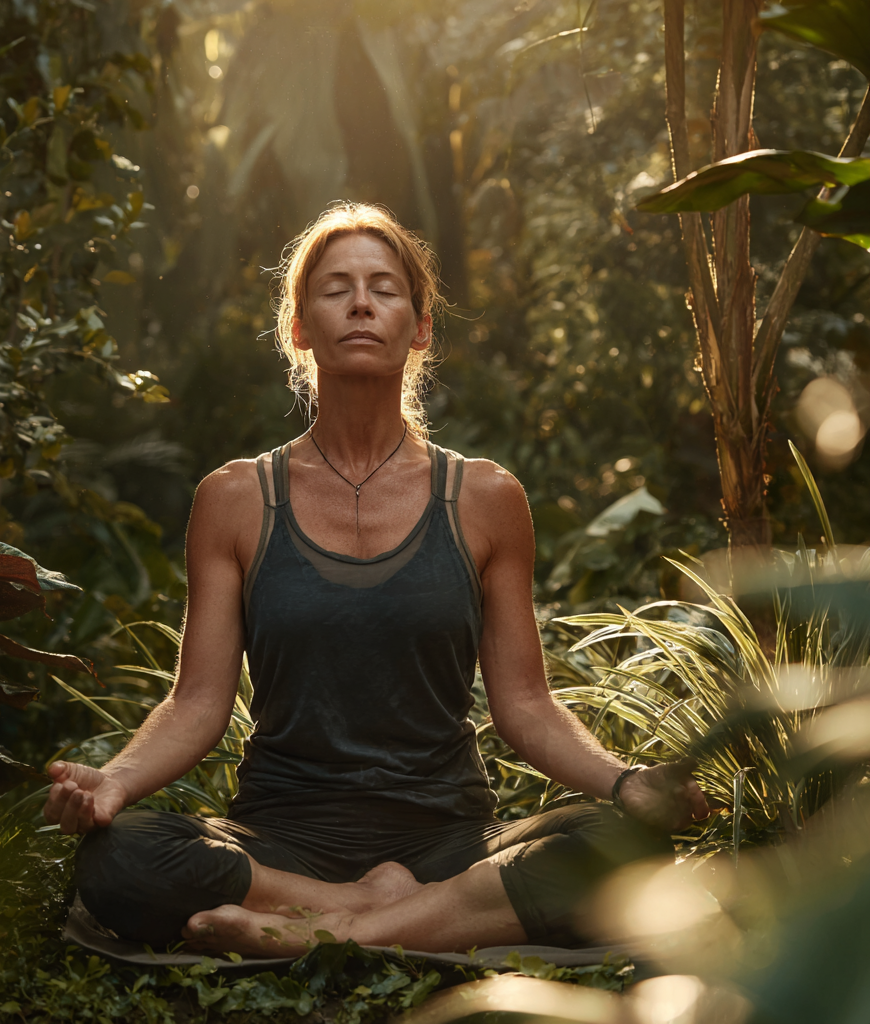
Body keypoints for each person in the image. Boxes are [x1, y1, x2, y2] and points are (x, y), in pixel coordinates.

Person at [43, 203, 710, 958]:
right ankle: (383, 913)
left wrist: (627, 784)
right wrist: (116, 784)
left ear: (420, 326)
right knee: (121, 854)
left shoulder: (487, 498)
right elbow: (198, 702)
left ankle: (331, 934)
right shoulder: (233, 499)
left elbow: (525, 705)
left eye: (384, 287)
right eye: (336, 288)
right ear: (299, 327)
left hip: (449, 838)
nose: (361, 302)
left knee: (626, 843)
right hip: (281, 841)